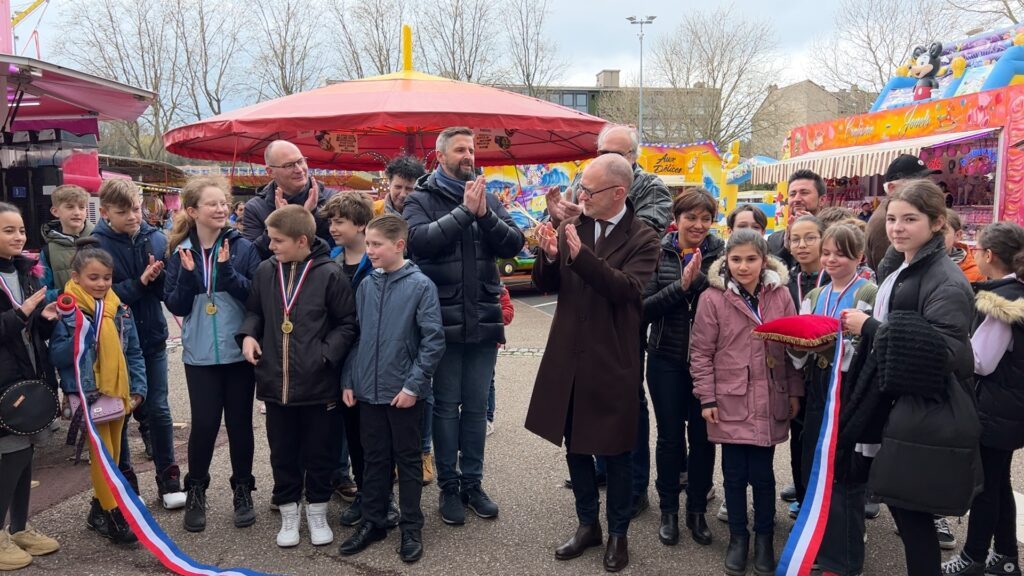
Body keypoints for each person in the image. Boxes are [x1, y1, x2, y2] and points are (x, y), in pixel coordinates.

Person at [525, 153, 660, 573]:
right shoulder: (573, 224)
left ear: (619, 193)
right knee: (575, 445)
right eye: (579, 187)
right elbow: (544, 284)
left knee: (616, 450)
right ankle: (588, 524)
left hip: (611, 357)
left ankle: (618, 531)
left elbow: (627, 290)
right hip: (567, 354)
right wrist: (549, 254)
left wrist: (580, 256)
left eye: (589, 190)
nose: (579, 196)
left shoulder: (644, 237)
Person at [840, 180, 978, 576]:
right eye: (893, 219)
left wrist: (869, 328)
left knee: (912, 513)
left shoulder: (945, 280)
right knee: (904, 508)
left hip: (922, 409)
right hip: (897, 403)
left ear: (936, 223)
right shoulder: (900, 265)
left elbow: (945, 353)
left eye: (910, 219)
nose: (897, 228)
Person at [546, 123, 673, 514]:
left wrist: (583, 235)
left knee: (623, 405)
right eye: (603, 153)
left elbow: (637, 236)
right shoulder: (586, 185)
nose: (610, 160)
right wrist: (560, 230)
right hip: (580, 320)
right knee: (579, 402)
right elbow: (555, 269)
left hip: (622, 317)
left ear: (634, 160)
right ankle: (594, 477)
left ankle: (633, 486)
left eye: (620, 155)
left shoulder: (651, 188)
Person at [403, 127, 525, 525]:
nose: (469, 155)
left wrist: (485, 214)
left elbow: (513, 243)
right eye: (460, 149)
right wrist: (462, 213)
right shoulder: (421, 198)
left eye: (472, 149)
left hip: (484, 319)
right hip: (441, 321)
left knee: (475, 409)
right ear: (441, 156)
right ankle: (449, 488)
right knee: (446, 408)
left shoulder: (486, 197)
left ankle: (473, 483)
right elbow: (418, 242)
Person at [238, 205, 358, 548]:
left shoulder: (329, 274)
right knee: (283, 452)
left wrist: (325, 354)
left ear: (301, 240)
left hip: (319, 386)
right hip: (277, 386)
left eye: (277, 240)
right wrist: (248, 335)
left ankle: (317, 511)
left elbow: (347, 323)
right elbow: (254, 312)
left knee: (321, 452)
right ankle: (289, 513)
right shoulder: (264, 271)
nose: (270, 245)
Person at [690, 229, 803, 576]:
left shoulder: (780, 294)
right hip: (729, 398)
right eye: (736, 259)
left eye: (751, 259)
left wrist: (795, 390)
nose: (743, 266)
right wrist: (706, 396)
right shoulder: (713, 298)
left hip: (769, 396)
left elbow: (791, 345)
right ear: (726, 261)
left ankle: (765, 538)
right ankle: (739, 537)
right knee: (734, 474)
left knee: (764, 475)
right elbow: (701, 352)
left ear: (763, 260)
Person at [338, 214, 446, 564]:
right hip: (368, 392)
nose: (369, 251)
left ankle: (411, 526)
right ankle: (375, 519)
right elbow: (358, 338)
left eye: (376, 245)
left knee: (409, 461)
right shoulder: (367, 285)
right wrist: (349, 380)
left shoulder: (420, 286)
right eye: (367, 244)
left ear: (399, 245)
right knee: (374, 460)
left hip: (403, 394)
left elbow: (433, 341)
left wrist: (414, 386)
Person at [162, 176, 262, 533]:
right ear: (192, 211)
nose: (221, 209)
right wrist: (189, 277)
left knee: (239, 424)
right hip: (200, 354)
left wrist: (227, 271)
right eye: (212, 204)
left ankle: (242, 490)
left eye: (224, 202)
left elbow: (254, 296)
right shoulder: (180, 251)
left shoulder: (243, 246)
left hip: (238, 351)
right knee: (204, 425)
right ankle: (197, 491)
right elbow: (174, 303)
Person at [92, 180, 185, 510]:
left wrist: (161, 279)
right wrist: (139, 282)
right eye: (123, 212)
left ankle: (168, 476)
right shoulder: (94, 244)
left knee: (159, 408)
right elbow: (98, 296)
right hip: (113, 344)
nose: (133, 216)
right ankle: (125, 477)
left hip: (153, 337)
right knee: (121, 410)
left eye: (135, 208)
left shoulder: (156, 237)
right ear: (104, 213)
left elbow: (166, 294)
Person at [793, 223, 878, 576]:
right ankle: (821, 547)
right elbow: (799, 348)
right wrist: (798, 346)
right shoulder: (815, 295)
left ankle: (845, 559)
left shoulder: (870, 292)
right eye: (827, 252)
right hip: (819, 385)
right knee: (815, 467)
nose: (831, 259)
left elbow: (874, 345)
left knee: (845, 473)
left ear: (859, 257)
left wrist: (837, 345)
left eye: (841, 254)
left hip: (852, 389)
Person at [50, 238, 147, 546]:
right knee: (102, 456)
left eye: (106, 278)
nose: (102, 283)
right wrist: (81, 333)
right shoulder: (67, 310)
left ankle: (97, 511)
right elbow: (58, 355)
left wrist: (138, 388)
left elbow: (133, 352)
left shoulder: (118, 308)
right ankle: (114, 513)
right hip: (88, 393)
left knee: (115, 455)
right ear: (76, 277)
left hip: (118, 393)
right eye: (94, 278)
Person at [642, 188, 724, 548]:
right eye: (691, 217)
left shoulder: (720, 254)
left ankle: (697, 513)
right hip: (665, 360)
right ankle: (669, 512)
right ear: (677, 219)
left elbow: (727, 300)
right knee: (670, 438)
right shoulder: (659, 253)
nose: (699, 224)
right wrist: (681, 285)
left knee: (704, 440)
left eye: (705, 218)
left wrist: (700, 278)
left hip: (709, 365)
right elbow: (644, 308)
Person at [941, 222, 1024, 576]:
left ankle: (973, 556)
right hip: (1011, 405)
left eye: (978, 250)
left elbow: (981, 362)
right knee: (998, 482)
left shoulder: (998, 302)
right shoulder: (1016, 292)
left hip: (995, 407)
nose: (974, 254)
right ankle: (1005, 556)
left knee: (985, 487)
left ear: (989, 256)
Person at [321, 192, 399, 527]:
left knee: (378, 438)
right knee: (353, 434)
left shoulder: (377, 265)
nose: (333, 227)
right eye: (330, 221)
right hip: (342, 363)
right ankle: (365, 493)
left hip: (374, 362)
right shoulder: (330, 260)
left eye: (339, 221)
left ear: (361, 225)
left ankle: (386, 498)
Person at [0, 203, 60, 570]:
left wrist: (47, 320)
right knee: (12, 456)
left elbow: (35, 330)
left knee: (27, 456)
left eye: (21, 229)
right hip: (4, 386)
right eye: (8, 230)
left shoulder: (28, 273)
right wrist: (21, 313)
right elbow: (14, 321)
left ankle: (20, 528)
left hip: (31, 380)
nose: (19, 236)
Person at [780, 214, 828, 520]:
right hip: (796, 371)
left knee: (825, 438)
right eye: (796, 239)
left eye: (810, 237)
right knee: (799, 437)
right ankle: (801, 492)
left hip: (828, 372)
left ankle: (826, 499)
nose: (802, 245)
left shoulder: (838, 279)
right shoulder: (786, 282)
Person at [242, 140, 335, 259]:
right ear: (270, 172)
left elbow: (336, 248)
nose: (299, 170)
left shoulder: (331, 199)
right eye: (289, 165)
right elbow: (252, 257)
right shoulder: (255, 208)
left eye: (300, 161)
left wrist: (309, 214)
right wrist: (280, 221)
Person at [864, 153, 940, 271]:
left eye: (926, 182)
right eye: (915, 184)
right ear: (892, 188)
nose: (925, 188)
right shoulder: (884, 221)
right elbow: (889, 272)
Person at [40, 184, 94, 302]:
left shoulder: (99, 240)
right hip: (67, 315)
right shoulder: (48, 251)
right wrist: (63, 293)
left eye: (81, 207)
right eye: (70, 207)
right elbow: (42, 292)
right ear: (55, 211)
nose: (77, 212)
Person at [767, 170, 825, 269]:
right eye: (792, 194)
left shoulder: (833, 236)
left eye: (804, 193)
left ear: (822, 200)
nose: (797, 199)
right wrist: (786, 249)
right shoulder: (775, 240)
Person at [486, 284, 514, 436]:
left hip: (490, 341)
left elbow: (508, 312)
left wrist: (489, 315)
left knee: (488, 380)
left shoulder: (498, 287)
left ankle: (488, 418)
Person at [945, 209, 986, 284]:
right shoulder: (919, 264)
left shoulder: (975, 272)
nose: (935, 237)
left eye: (942, 231)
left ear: (957, 235)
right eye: (931, 231)